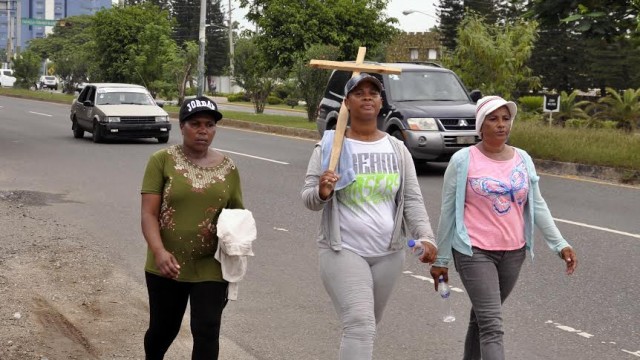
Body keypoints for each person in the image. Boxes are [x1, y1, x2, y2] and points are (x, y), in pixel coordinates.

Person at [430, 95, 578, 360]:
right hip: (474, 251)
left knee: (482, 319)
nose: (501, 124)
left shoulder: (522, 158)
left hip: (513, 252)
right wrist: (441, 259)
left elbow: (538, 205)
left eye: (506, 119)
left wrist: (560, 244)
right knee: (492, 326)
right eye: (493, 119)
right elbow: (448, 211)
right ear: (480, 125)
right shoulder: (463, 160)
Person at [301, 73, 437, 360]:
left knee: (366, 327)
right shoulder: (330, 147)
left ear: (380, 102)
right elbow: (309, 199)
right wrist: (323, 191)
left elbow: (411, 198)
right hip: (343, 250)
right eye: (359, 92)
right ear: (347, 103)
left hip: (389, 254)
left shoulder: (397, 149)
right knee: (360, 325)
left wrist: (425, 236)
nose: (367, 97)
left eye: (373, 93)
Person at [140, 95, 243, 359]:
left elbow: (237, 215)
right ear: (181, 125)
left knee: (207, 329)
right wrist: (159, 251)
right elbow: (149, 213)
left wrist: (237, 245)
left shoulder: (229, 168)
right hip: (167, 264)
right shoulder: (161, 160)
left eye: (209, 125)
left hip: (211, 263)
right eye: (195, 124)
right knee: (164, 330)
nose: (203, 131)